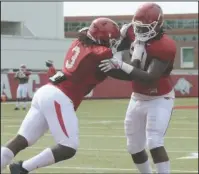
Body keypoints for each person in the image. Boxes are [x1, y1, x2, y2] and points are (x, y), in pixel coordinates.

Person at [1, 17, 123, 174]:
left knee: (22, 139)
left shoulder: (80, 42)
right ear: (102, 39)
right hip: (60, 96)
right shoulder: (97, 53)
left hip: (48, 91)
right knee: (68, 146)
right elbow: (112, 56)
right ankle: (22, 168)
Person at [99, 3, 176, 174]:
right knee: (133, 146)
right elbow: (119, 44)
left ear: (157, 25)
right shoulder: (132, 30)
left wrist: (121, 64)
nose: (140, 31)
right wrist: (116, 52)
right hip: (137, 97)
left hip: (159, 97)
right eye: (138, 27)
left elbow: (149, 77)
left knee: (155, 142)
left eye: (144, 28)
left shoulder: (165, 46)